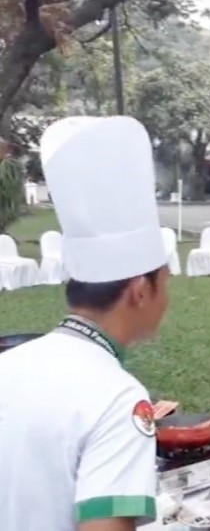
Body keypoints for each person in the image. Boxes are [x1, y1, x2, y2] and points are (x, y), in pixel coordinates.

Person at [0, 117, 173, 530]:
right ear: (141, 290)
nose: (168, 299)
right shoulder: (118, 399)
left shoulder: (11, 364)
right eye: (166, 282)